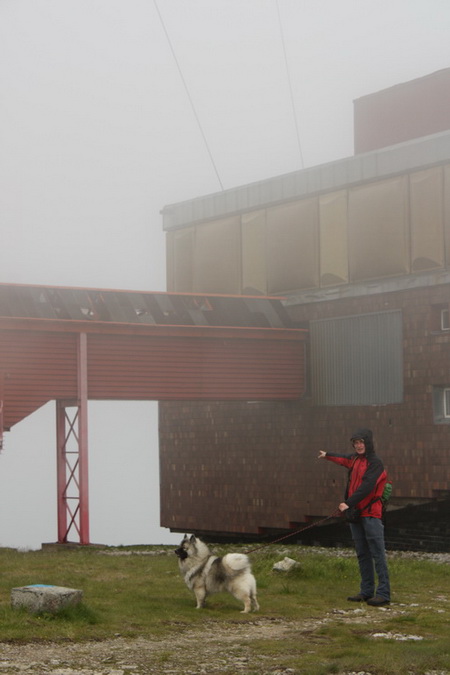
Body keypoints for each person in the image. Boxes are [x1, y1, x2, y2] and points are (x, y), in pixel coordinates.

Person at [318, 428, 391, 606]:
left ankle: (383, 594)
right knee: (362, 553)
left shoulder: (376, 463)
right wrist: (327, 455)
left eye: (361, 442)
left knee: (377, 554)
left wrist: (348, 503)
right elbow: (343, 459)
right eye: (355, 443)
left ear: (368, 443)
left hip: (371, 514)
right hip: (355, 515)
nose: (358, 446)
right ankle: (366, 591)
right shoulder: (355, 459)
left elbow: (367, 486)